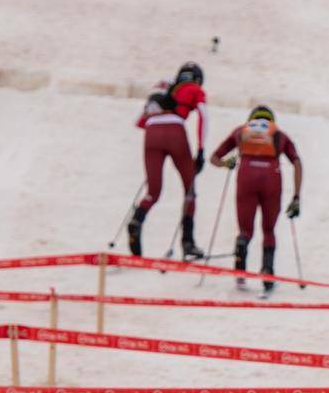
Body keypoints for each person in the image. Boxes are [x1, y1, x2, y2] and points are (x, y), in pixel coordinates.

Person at [210, 105, 302, 295]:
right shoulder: (279, 135)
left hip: (246, 176)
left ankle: (240, 271)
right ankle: (267, 274)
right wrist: (296, 197)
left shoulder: (240, 132)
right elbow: (297, 162)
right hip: (271, 178)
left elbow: (214, 158)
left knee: (245, 230)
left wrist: (226, 163)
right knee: (268, 230)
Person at [128, 61, 208, 260]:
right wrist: (200, 150)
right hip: (175, 132)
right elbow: (204, 117)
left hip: (152, 133)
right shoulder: (194, 89)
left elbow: (139, 122)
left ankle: (137, 221)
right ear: (198, 79)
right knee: (189, 189)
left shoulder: (165, 89)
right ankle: (188, 243)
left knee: (153, 191)